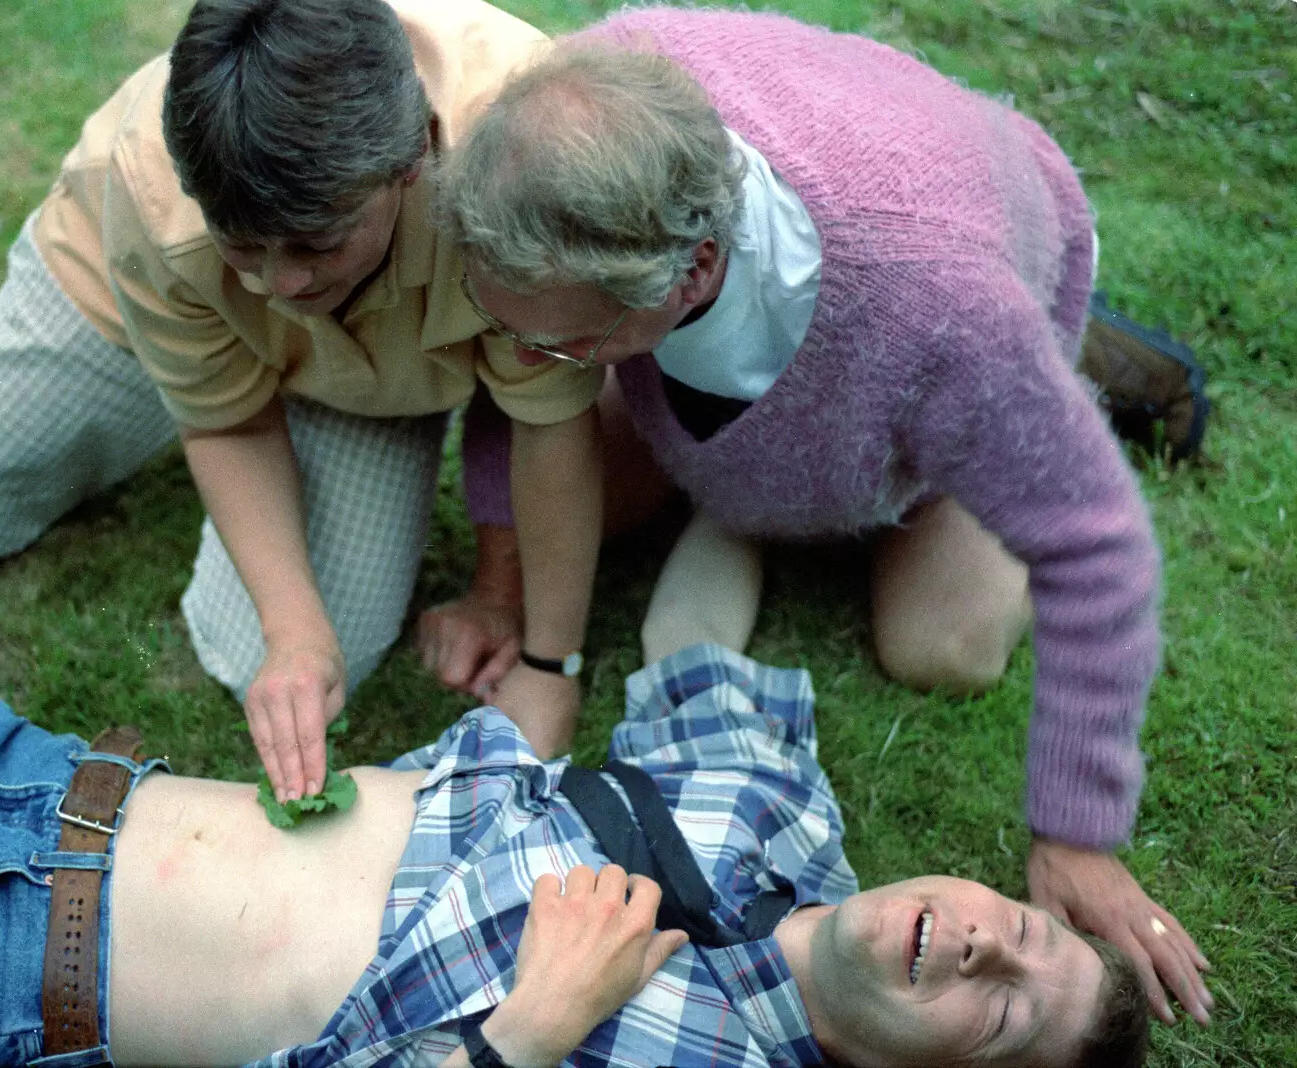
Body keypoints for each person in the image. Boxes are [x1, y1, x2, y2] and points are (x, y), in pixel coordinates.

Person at [420, 6, 1214, 1029]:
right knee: (610, 485)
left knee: (944, 645)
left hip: (971, 259)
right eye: (508, 329)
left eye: (558, 347)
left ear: (691, 270)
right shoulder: (576, 101)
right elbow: (524, 381)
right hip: (777, 290)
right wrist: (503, 586)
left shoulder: (939, 312)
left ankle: (1074, 360)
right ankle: (746, 488)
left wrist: (1075, 834)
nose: (522, 365)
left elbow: (1096, 546)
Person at [0, 0, 604, 812]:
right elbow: (229, 417)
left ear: (410, 165)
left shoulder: (518, 161)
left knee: (279, 654)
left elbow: (551, 418)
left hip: (374, 380)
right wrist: (296, 632)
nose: (280, 285)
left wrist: (549, 664)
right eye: (243, 243)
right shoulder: (151, 188)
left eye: (317, 242)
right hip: (120, 297)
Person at [0, 641, 1152, 1067]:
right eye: (1015, 929)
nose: (979, 940)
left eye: (1006, 1007)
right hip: (0, 757)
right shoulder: (779, 814)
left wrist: (528, 1035)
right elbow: (701, 638)